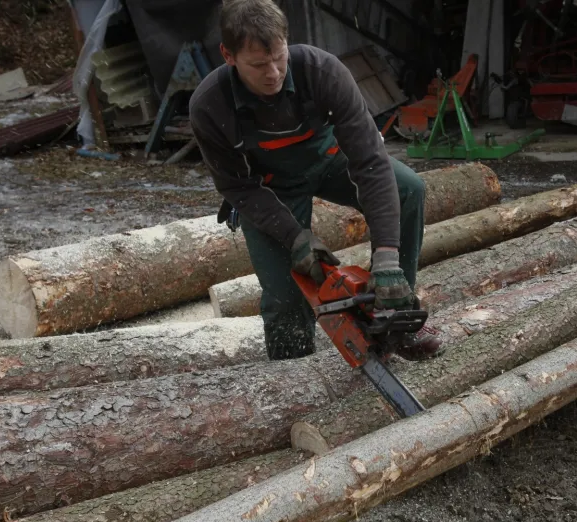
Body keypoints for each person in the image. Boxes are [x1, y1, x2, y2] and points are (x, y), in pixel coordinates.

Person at [189, 0, 443, 361]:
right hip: (269, 188)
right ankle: (296, 372)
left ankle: (396, 315)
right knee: (285, 294)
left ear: (286, 41)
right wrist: (294, 238)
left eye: (278, 57)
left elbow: (370, 160)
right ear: (228, 56)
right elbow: (236, 186)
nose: (274, 72)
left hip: (330, 160)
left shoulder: (321, 70)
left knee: (409, 189)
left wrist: (387, 256)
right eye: (258, 65)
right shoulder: (210, 105)